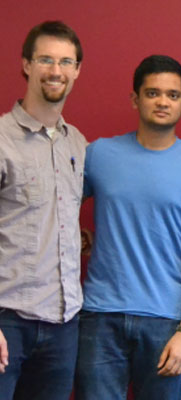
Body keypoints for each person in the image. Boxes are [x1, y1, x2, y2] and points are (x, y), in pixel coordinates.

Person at [75, 55, 181, 400]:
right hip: (100, 315)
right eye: (152, 93)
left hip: (166, 321)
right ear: (135, 99)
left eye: (172, 95)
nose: (162, 102)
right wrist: (74, 237)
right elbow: (56, 210)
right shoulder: (99, 155)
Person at [0, 21, 86, 400]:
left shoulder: (78, 144)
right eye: (46, 60)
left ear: (77, 70)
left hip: (64, 323)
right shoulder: (2, 139)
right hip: (7, 321)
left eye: (66, 61)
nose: (56, 71)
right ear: (26, 65)